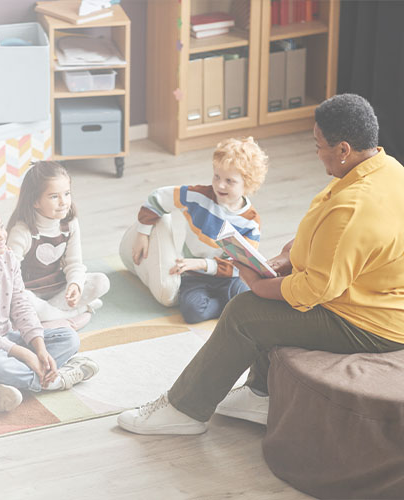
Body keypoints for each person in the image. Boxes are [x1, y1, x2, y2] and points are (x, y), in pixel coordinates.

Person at [117, 93, 404, 436]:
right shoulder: (386, 170)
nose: (316, 153)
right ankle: (259, 394)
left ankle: (184, 411)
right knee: (260, 303)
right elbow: (332, 240)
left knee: (245, 312)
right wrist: (286, 257)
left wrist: (259, 284)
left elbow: (315, 289)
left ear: (343, 150)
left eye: (318, 145)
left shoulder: (354, 206)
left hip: (370, 322)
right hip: (369, 293)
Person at [0, 197, 99, 413]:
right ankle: (54, 380)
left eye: (1, 227)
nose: (2, 235)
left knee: (69, 338)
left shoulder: (7, 257)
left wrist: (39, 348)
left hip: (5, 337)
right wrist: (26, 355)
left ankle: (5, 382)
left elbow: (21, 305)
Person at [119, 137, 269, 323]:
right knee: (192, 311)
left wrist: (202, 264)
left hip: (228, 278)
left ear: (248, 184)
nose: (220, 185)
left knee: (246, 297)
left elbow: (242, 265)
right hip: (194, 276)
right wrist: (143, 232)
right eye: (217, 177)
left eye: (230, 181)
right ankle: (230, 308)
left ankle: (231, 306)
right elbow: (158, 198)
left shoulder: (251, 222)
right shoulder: (198, 197)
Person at [7, 161, 110, 330]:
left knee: (101, 281)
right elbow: (10, 277)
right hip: (30, 291)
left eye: (67, 194)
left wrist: (75, 285)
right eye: (54, 196)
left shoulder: (70, 223)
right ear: (35, 201)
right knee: (19, 298)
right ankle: (72, 314)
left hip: (58, 287)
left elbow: (74, 263)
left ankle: (49, 317)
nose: (63, 202)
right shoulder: (22, 232)